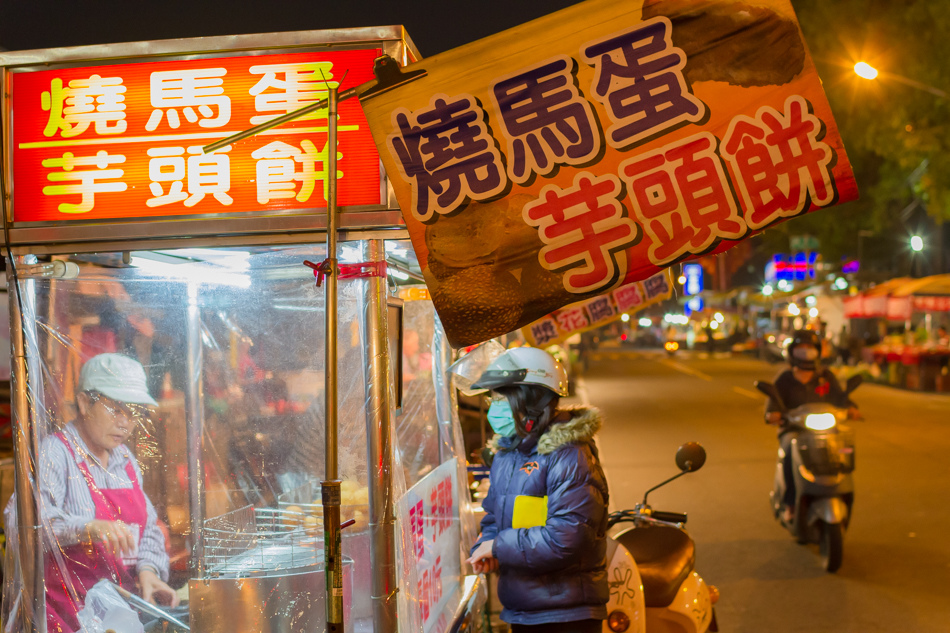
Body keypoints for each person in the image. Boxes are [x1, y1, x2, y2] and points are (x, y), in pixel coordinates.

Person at [5, 353, 178, 633]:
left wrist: (149, 571)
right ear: (85, 403)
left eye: (133, 412)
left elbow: (148, 529)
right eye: (116, 409)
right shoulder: (56, 453)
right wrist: (87, 528)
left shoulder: (124, 459)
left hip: (116, 620)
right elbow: (20, 524)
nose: (126, 422)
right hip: (65, 619)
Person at [465, 347, 609, 632]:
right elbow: (494, 518)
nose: (494, 409)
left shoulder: (569, 456)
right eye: (490, 400)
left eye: (500, 400)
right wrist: (488, 549)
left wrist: (498, 546)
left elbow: (566, 538)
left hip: (567, 615)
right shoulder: (508, 453)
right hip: (522, 609)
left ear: (532, 402)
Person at [765, 330, 859, 523]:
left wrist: (851, 409)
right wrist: (773, 414)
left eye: (810, 348)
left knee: (844, 448)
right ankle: (790, 502)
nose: (806, 352)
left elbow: (841, 399)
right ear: (792, 351)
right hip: (794, 430)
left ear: (817, 351)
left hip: (826, 429)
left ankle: (841, 493)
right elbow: (773, 403)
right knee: (791, 451)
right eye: (801, 348)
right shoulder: (785, 378)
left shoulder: (826, 376)